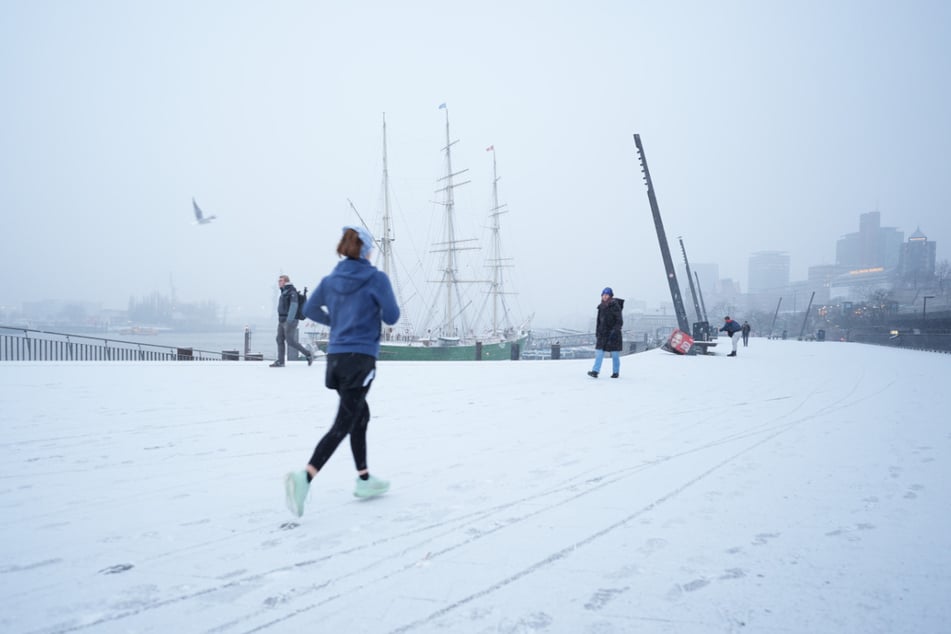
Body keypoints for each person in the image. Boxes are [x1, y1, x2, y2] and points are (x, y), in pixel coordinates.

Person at [284, 226, 400, 517]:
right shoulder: (375, 278)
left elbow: (309, 309)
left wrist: (336, 322)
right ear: (367, 250)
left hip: (335, 359)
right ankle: (306, 476)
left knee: (360, 414)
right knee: (343, 423)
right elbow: (392, 316)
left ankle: (364, 479)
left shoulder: (331, 279)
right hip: (360, 358)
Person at [271, 275, 314, 367]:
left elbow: (294, 306)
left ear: (285, 282)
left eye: (280, 280)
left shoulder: (291, 292)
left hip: (289, 321)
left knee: (290, 341)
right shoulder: (284, 292)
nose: (279, 282)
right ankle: (281, 361)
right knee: (279, 339)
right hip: (282, 320)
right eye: (278, 280)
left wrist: (289, 320)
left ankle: (308, 354)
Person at [587, 287, 624, 378]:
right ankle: (595, 371)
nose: (604, 296)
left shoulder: (615, 306)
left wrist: (615, 331)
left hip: (613, 334)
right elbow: (598, 321)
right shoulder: (601, 307)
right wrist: (597, 332)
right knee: (599, 352)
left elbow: (619, 321)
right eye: (603, 295)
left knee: (615, 354)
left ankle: (616, 372)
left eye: (606, 295)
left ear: (610, 296)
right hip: (602, 334)